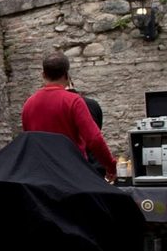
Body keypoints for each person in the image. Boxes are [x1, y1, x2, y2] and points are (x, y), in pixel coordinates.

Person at [21, 52, 116, 180]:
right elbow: (94, 139)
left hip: (41, 173)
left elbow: (29, 139)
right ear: (67, 74)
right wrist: (110, 166)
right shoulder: (73, 101)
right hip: (72, 171)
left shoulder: (29, 103)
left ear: (43, 75)